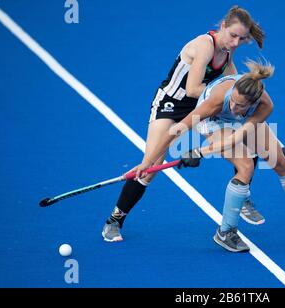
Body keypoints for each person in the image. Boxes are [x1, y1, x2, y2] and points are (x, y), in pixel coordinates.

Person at [137, 59, 285, 252]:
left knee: (281, 164)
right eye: (233, 101)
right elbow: (177, 130)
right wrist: (146, 162)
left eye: (240, 105)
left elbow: (238, 136)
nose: (234, 107)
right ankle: (225, 232)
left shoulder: (265, 105)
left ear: (252, 103)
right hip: (213, 120)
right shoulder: (217, 100)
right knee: (245, 166)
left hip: (244, 122)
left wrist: (199, 152)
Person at [102, 6, 266, 242]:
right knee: (150, 167)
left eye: (242, 38)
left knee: (242, 143)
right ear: (222, 26)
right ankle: (114, 220)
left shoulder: (227, 54)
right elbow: (192, 89)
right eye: (233, 35)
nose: (236, 42)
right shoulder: (204, 45)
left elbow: (233, 84)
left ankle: (244, 196)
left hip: (200, 107)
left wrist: (245, 101)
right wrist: (225, 98)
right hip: (170, 105)